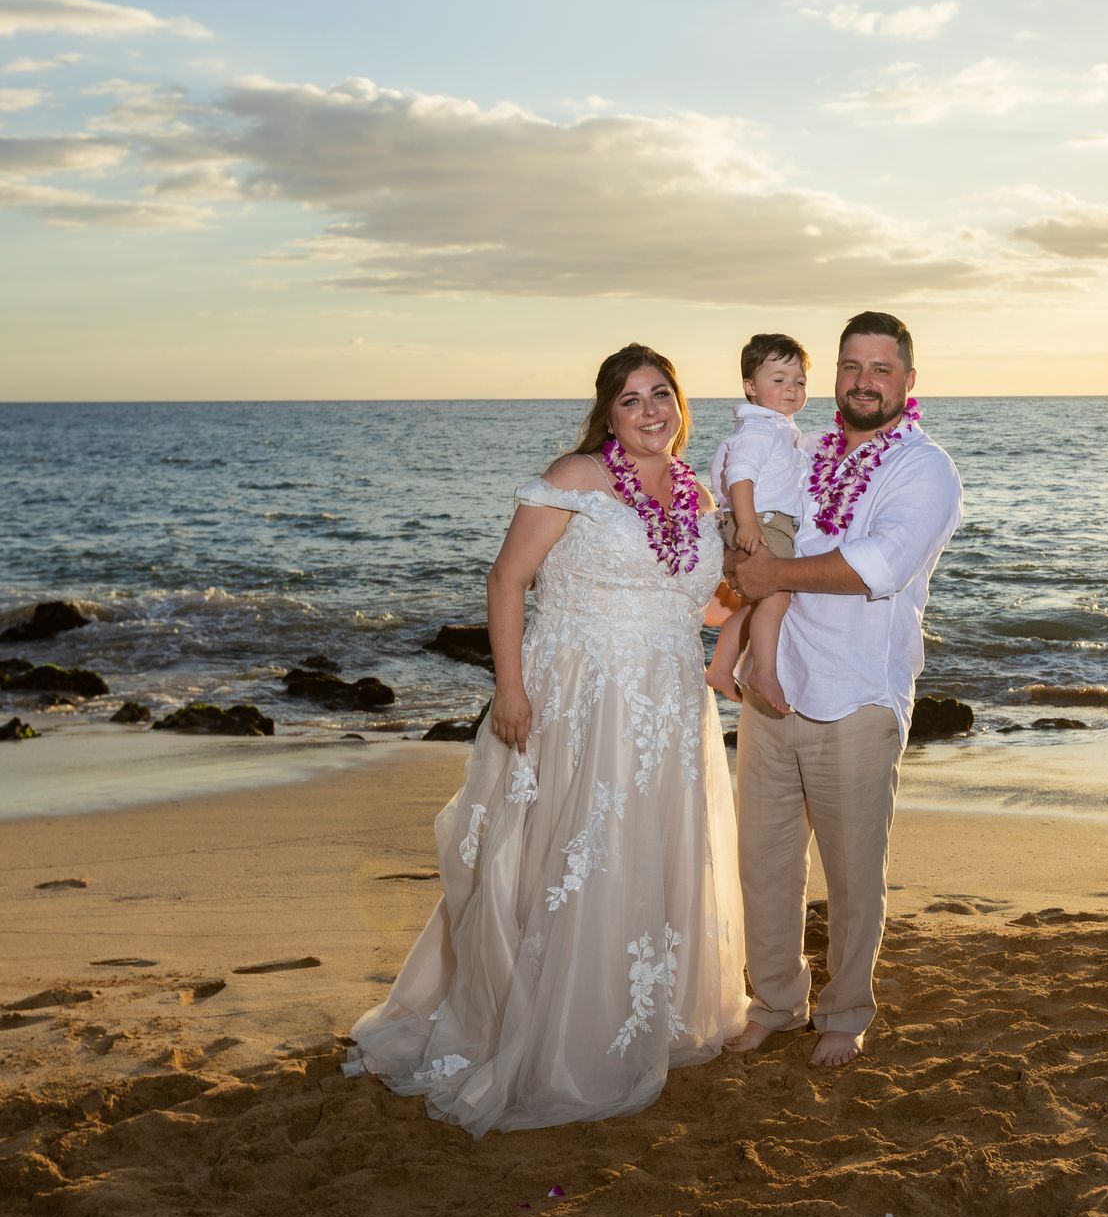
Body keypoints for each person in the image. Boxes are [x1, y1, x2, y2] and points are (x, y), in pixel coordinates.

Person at [343, 344, 748, 1136]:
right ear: (607, 413)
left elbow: (689, 599)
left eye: (660, 394)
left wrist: (765, 608)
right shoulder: (573, 478)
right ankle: (553, 1034)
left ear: (680, 402)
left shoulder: (698, 494)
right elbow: (508, 580)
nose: (648, 411)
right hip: (581, 699)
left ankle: (639, 1016)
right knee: (569, 852)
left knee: (652, 850)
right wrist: (512, 687)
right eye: (629, 400)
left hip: (666, 705)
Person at [724, 311, 963, 1068]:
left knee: (854, 873)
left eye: (881, 369)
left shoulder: (923, 469)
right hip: (775, 689)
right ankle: (773, 1001)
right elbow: (753, 509)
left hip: (858, 696)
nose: (864, 381)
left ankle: (847, 1011)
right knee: (763, 863)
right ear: (835, 376)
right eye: (851, 367)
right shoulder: (808, 450)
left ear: (908, 382)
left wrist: (772, 574)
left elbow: (880, 563)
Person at [705, 333, 810, 713]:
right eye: (778, 380)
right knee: (778, 592)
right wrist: (748, 524)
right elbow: (741, 475)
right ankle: (763, 671)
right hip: (762, 520)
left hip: (760, 518)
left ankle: (719, 668)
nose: (791, 389)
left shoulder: (776, 427)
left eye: (799, 381)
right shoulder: (761, 428)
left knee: (753, 603)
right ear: (751, 386)